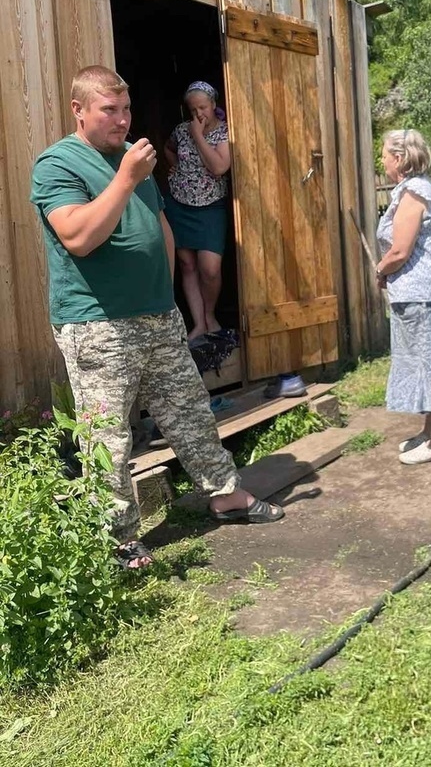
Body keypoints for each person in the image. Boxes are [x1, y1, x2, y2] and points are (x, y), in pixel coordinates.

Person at [30, 66, 284, 570]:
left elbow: (160, 224)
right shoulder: (58, 164)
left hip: (157, 315)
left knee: (189, 411)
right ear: (79, 110)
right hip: (97, 323)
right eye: (110, 110)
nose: (122, 120)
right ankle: (120, 538)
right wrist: (125, 180)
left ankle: (225, 494)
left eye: (126, 109)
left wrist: (166, 295)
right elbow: (79, 237)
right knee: (108, 435)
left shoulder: (133, 158)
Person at [376, 129, 431, 464]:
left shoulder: (414, 191)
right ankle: (430, 431)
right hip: (421, 292)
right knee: (424, 360)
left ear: (399, 159)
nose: (382, 160)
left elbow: (399, 250)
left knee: (428, 362)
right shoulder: (415, 189)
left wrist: (381, 270)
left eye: (384, 154)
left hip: (423, 294)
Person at [164, 82, 230, 342]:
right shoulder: (181, 131)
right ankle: (200, 323)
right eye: (193, 109)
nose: (199, 113)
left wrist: (198, 136)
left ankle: (211, 315)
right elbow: (168, 148)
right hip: (179, 204)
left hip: (210, 207)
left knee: (210, 269)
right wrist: (174, 166)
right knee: (187, 265)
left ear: (214, 105)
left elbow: (219, 168)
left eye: (203, 107)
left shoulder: (223, 133)